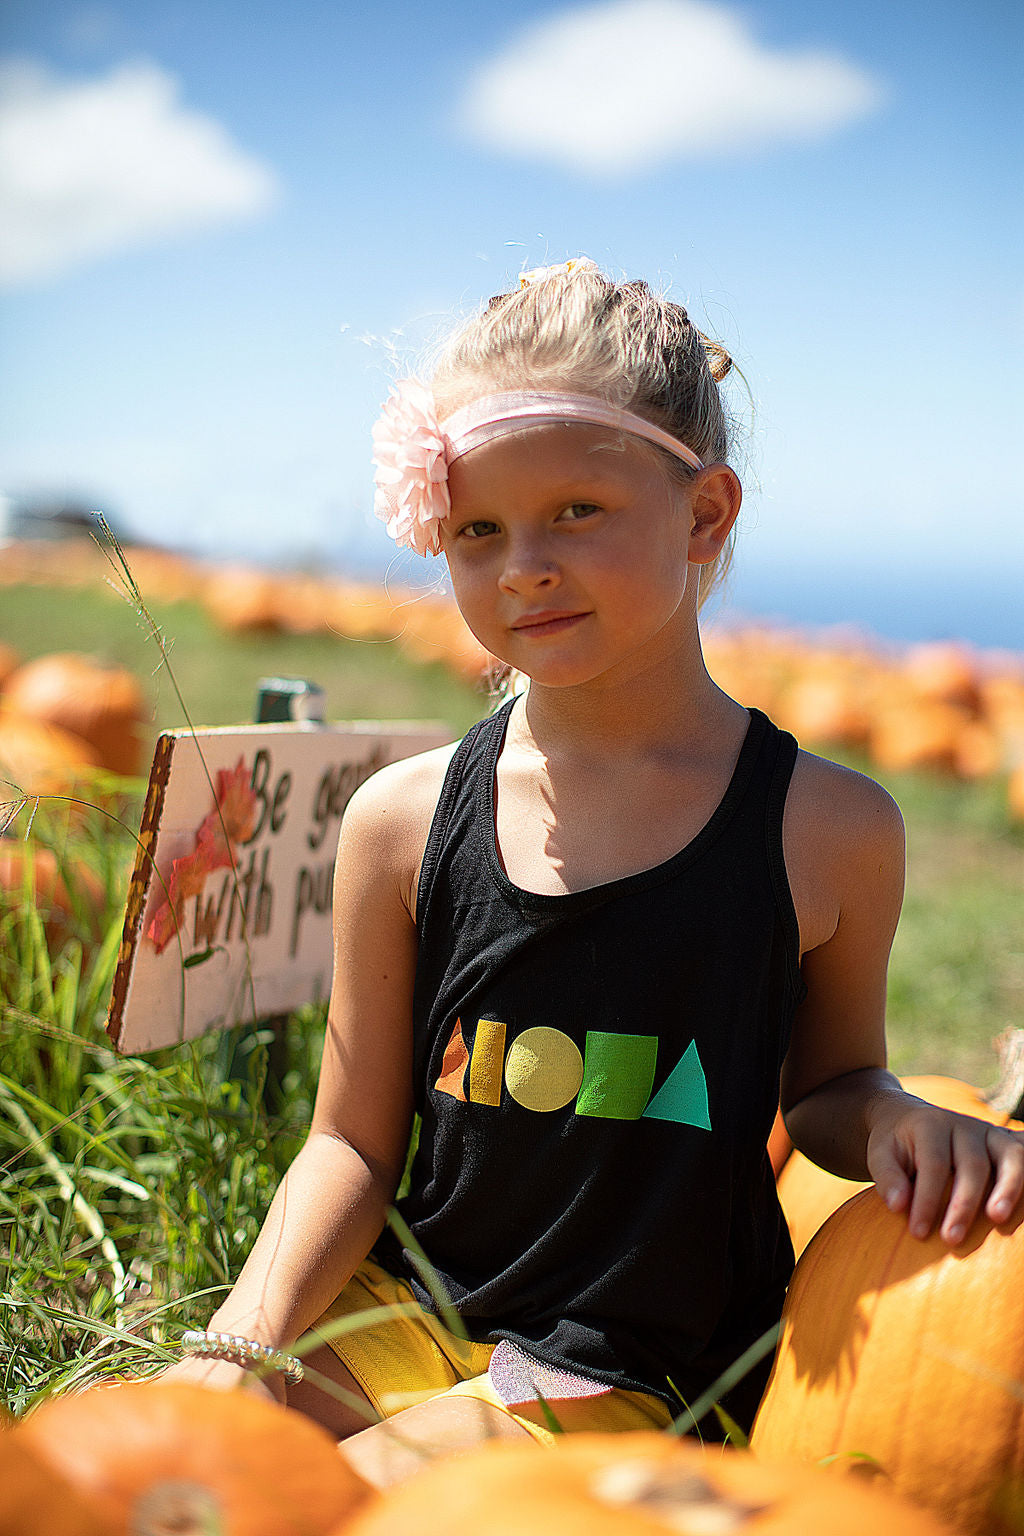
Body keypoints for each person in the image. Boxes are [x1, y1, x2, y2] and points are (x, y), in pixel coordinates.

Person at [165, 260, 1024, 1485]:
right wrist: (236, 1347)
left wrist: (891, 1111)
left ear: (706, 514)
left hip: (627, 1363)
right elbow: (349, 1149)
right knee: (169, 1462)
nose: (523, 565)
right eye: (477, 529)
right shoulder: (401, 823)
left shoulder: (828, 830)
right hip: (414, 1307)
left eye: (576, 510)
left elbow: (828, 1085)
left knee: (353, 1502)